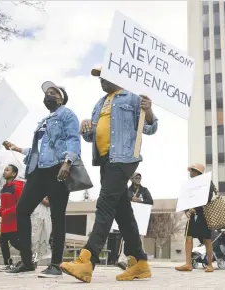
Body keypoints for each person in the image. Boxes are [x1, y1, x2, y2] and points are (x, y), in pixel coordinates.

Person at [60, 66, 158, 283]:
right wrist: (86, 128)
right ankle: (140, 262)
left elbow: (150, 128)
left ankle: (87, 261)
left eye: (105, 76)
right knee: (122, 212)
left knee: (104, 206)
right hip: (105, 161)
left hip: (123, 160)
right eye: (99, 78)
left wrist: (148, 110)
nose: (101, 81)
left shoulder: (133, 97)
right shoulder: (99, 103)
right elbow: (91, 135)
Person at [3, 81, 81, 277]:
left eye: (52, 92)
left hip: (58, 169)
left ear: (61, 97)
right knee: (22, 210)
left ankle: (55, 265)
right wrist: (15, 147)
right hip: (38, 170)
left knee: (57, 216)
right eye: (46, 93)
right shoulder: (43, 121)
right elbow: (38, 151)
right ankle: (28, 261)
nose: (48, 95)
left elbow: (73, 139)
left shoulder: (67, 114)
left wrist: (68, 162)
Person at [175, 163, 214, 273]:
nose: (190, 172)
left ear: (197, 172)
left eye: (192, 170)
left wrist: (195, 208)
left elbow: (208, 197)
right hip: (192, 216)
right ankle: (188, 264)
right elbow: (184, 198)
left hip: (204, 214)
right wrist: (187, 211)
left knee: (207, 239)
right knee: (188, 237)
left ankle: (210, 265)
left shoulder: (207, 182)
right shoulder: (189, 184)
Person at [117, 172, 154, 270]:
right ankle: (123, 259)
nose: (138, 179)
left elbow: (150, 201)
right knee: (125, 238)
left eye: (139, 177)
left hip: (140, 219)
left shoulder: (144, 190)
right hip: (128, 217)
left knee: (139, 239)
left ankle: (140, 261)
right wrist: (130, 199)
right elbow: (121, 200)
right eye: (136, 177)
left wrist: (139, 201)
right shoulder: (127, 190)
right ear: (131, 179)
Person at [0, 164, 24, 272]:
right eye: (4, 170)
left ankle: (29, 255)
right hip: (5, 222)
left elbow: (20, 205)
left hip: (14, 222)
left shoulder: (17, 187)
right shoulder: (4, 188)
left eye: (7, 170)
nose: (4, 171)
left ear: (13, 174)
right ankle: (7, 263)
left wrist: (6, 212)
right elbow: (4, 206)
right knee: (3, 241)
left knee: (14, 242)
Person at [31, 197, 52, 266]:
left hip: (44, 216)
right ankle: (33, 260)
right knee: (34, 238)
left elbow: (49, 203)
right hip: (35, 214)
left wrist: (39, 197)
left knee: (42, 238)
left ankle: (35, 260)